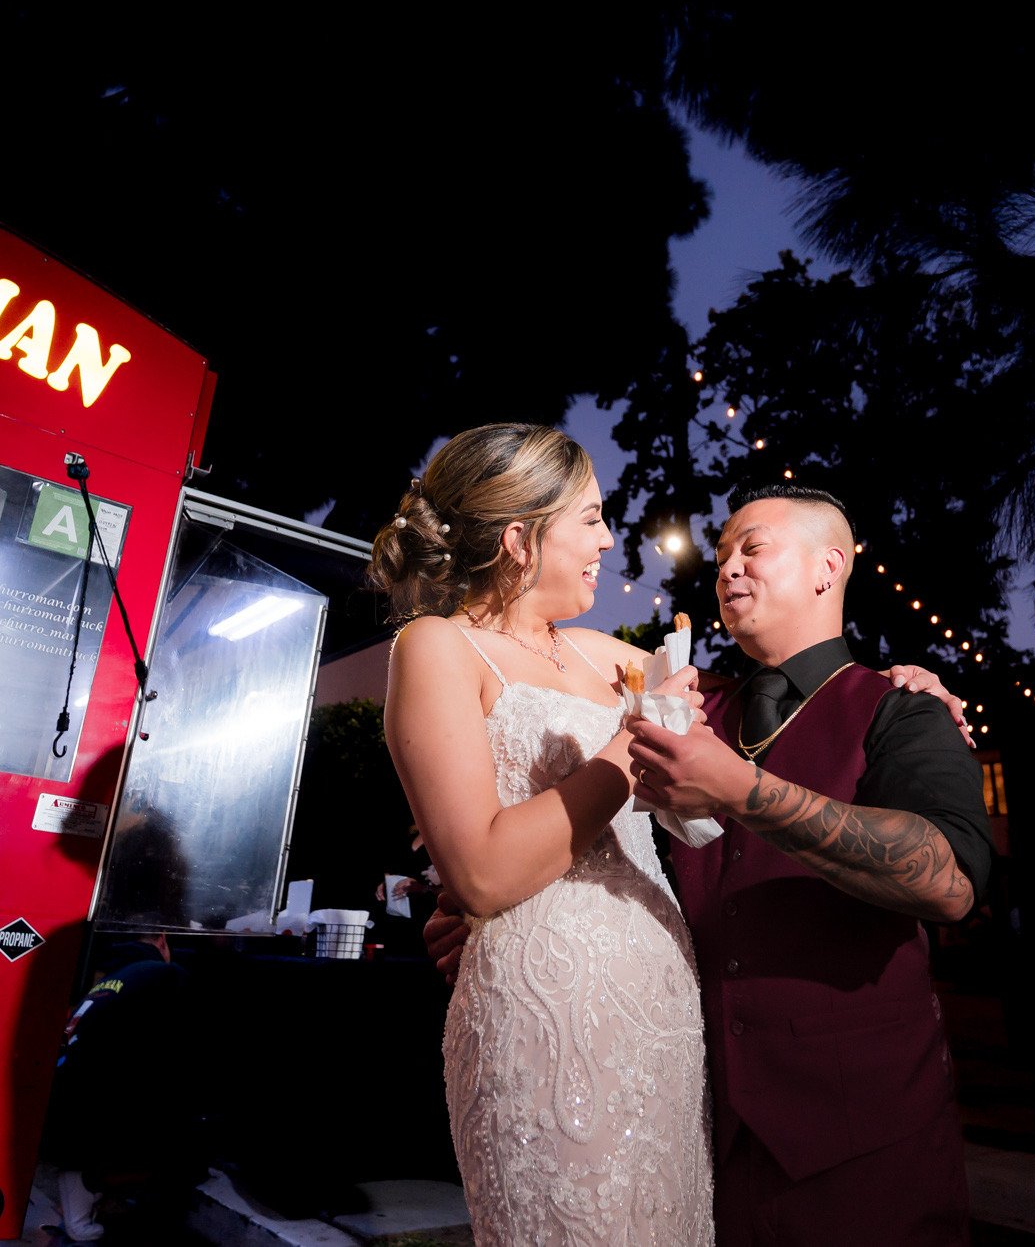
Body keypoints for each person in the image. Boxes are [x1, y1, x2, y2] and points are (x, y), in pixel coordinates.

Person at [366, 422, 718, 1245]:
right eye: (590, 518)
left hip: (662, 1009)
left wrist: (906, 684)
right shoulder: (437, 648)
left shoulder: (608, 657)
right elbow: (482, 871)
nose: (607, 538)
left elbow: (724, 774)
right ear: (521, 539)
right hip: (545, 1010)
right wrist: (633, 747)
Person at [620, 483, 995, 1246]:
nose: (727, 568)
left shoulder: (902, 707)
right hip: (702, 1140)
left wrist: (737, 786)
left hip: (865, 1149)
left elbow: (947, 880)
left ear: (829, 566)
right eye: (721, 555)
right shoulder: (688, 715)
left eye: (752, 548)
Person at [38, 932, 211, 1245]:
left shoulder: (110, 980)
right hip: (88, 1125)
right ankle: (95, 1188)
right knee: (193, 1149)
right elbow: (193, 1047)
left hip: (59, 1118)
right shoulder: (168, 976)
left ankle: (88, 1191)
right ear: (161, 941)